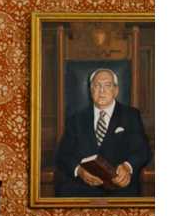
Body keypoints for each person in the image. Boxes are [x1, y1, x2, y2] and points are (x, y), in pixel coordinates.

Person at [52, 67, 151, 198]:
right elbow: (63, 155)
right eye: (97, 86)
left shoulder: (131, 116)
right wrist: (79, 171)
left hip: (119, 189)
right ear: (90, 90)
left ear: (116, 90)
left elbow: (142, 150)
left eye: (107, 85)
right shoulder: (76, 119)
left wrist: (128, 167)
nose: (102, 91)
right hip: (83, 189)